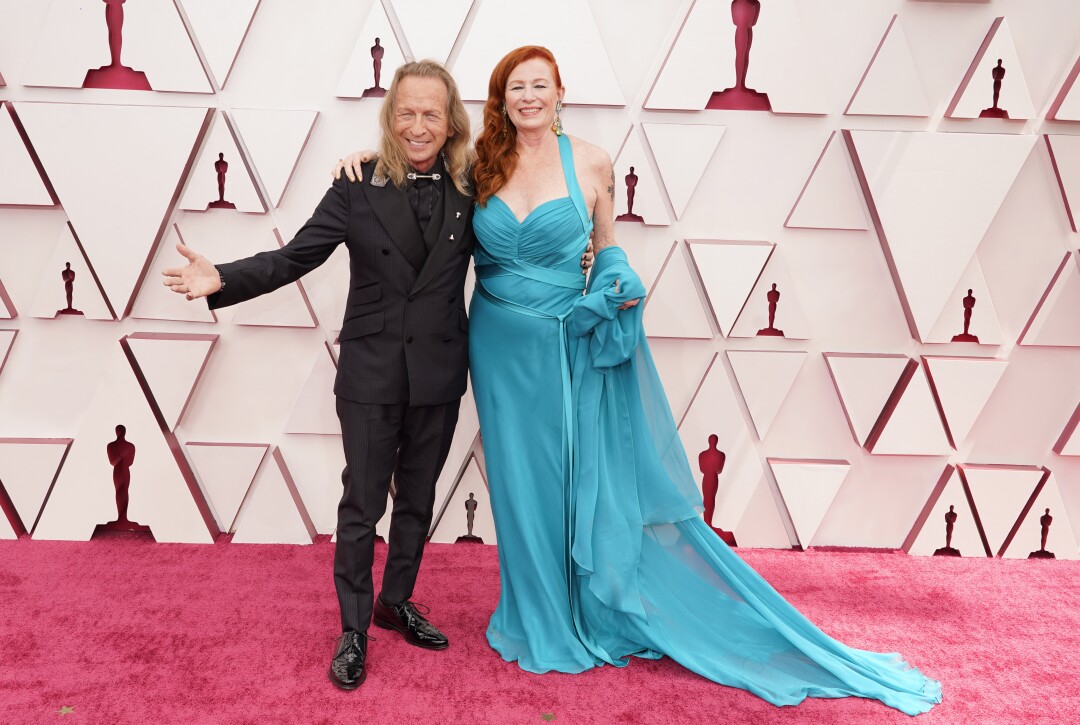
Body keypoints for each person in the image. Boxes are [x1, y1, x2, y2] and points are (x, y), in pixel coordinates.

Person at [335, 46, 940, 716]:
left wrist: (618, 274)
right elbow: (415, 178)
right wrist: (360, 165)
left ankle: (579, 609)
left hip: (565, 341)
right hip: (498, 343)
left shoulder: (592, 161)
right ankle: (534, 612)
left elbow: (606, 240)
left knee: (569, 480)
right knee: (518, 484)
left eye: (540, 85)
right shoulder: (481, 163)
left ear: (559, 91)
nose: (529, 97)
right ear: (500, 100)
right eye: (516, 88)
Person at [163, 60, 480, 691]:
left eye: (431, 114)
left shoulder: (475, 187)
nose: (418, 126)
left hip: (440, 371)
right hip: (370, 370)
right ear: (391, 117)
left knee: (417, 501)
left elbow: (517, 239)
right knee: (362, 505)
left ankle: (397, 601)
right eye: (406, 112)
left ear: (452, 124)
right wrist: (222, 276)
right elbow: (295, 256)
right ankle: (355, 629)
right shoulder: (357, 185)